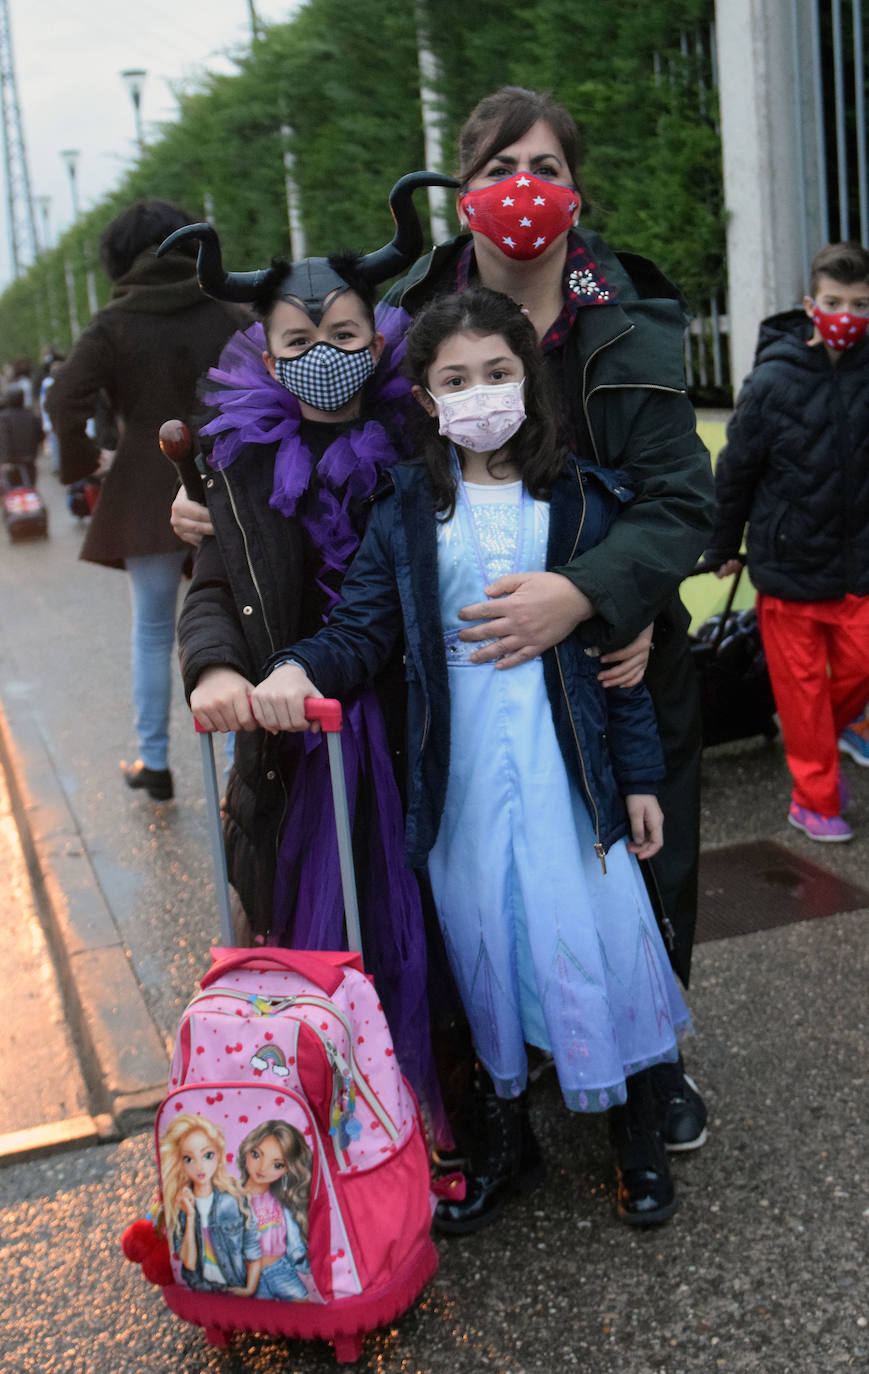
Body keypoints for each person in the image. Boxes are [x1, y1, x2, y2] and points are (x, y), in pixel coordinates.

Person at [171, 87, 713, 1148]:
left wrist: (596, 596)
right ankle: (496, 1090)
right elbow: (321, 416)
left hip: (606, 641)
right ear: (461, 192)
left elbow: (677, 499)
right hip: (448, 669)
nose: (524, 190)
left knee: (625, 865)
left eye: (547, 168)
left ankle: (644, 1072)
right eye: (499, 168)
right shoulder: (405, 313)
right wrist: (216, 504)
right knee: (471, 879)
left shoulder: (628, 317)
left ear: (577, 187)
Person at [251, 288, 693, 1231]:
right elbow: (362, 624)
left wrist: (642, 776)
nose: (480, 392)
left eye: (498, 373)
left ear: (529, 380)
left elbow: (614, 664)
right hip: (460, 792)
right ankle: (505, 1146)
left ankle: (637, 1138)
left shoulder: (578, 499)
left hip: (569, 782)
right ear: (424, 399)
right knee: (486, 953)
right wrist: (294, 665)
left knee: (601, 940)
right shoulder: (407, 508)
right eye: (455, 379)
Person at [168, 175, 455, 1146]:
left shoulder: (429, 435)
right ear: (267, 351)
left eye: (342, 335)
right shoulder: (240, 466)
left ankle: (439, 1104)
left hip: (414, 709)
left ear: (375, 335)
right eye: (298, 343)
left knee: (428, 918)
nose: (323, 357)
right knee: (322, 915)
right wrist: (212, 670)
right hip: (298, 730)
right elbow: (214, 581)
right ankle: (332, 1098)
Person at [46, 198, 244, 801]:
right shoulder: (228, 311)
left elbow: (63, 404)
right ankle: (240, 772)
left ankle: (154, 761)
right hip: (226, 486)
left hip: (139, 489)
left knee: (153, 630)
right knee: (236, 625)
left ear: (117, 258)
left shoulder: (114, 322)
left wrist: (88, 465)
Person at [705, 240, 869, 842]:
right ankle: (814, 799)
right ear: (810, 303)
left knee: (860, 667)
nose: (846, 314)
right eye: (834, 301)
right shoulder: (773, 379)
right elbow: (737, 470)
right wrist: (722, 545)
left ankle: (841, 730)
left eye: (860, 303)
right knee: (799, 693)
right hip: (788, 566)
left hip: (859, 567)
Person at [159, 1112, 261, 1294]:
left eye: (207, 1155)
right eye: (188, 1159)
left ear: (219, 1154)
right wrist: (190, 1215)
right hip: (200, 1289)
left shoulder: (234, 1198)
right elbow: (189, 1263)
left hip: (235, 1287)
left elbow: (252, 1248)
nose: (200, 1167)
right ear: (180, 1163)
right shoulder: (181, 1204)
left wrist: (249, 1289)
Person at [237, 1121, 312, 1301]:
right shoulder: (231, 1199)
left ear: (288, 1169)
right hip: (246, 1275)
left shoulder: (282, 1200)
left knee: (304, 1310)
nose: (262, 1168)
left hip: (282, 1269)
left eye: (277, 1165)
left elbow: (295, 1245)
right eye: (256, 1155)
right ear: (246, 1149)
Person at [0, 386, 43, 487]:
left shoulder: (4, 417)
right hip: (30, 459)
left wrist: (6, 460)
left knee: (13, 492)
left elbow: (5, 440)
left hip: (12, 462)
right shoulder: (31, 415)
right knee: (30, 488)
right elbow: (40, 435)